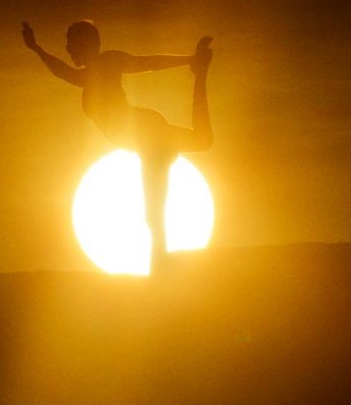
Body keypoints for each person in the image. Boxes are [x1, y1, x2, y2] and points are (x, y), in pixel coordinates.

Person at [22, 19, 213, 273]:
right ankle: (200, 75)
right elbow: (65, 72)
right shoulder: (91, 74)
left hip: (147, 134)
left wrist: (189, 58)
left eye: (71, 44)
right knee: (202, 142)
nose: (68, 49)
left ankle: (162, 270)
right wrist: (36, 49)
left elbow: (148, 63)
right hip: (145, 135)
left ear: (86, 44)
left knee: (154, 211)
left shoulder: (106, 62)